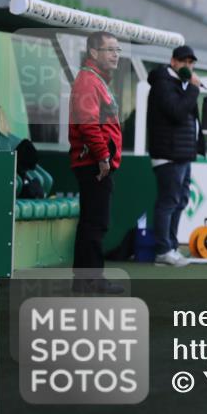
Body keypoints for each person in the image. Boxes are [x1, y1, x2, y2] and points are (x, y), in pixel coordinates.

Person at [69, 31, 124, 294]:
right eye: (110, 49)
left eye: (117, 50)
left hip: (96, 163)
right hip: (94, 164)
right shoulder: (88, 81)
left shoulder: (96, 80)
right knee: (95, 223)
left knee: (93, 222)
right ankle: (90, 280)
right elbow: (88, 124)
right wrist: (102, 156)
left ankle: (85, 280)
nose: (115, 54)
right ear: (93, 53)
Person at [147, 45, 205, 267]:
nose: (188, 67)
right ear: (173, 62)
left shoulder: (178, 84)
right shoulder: (163, 83)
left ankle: (170, 246)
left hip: (182, 154)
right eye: (184, 62)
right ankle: (162, 250)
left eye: (191, 63)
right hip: (168, 154)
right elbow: (177, 112)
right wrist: (193, 89)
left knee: (179, 200)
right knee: (168, 201)